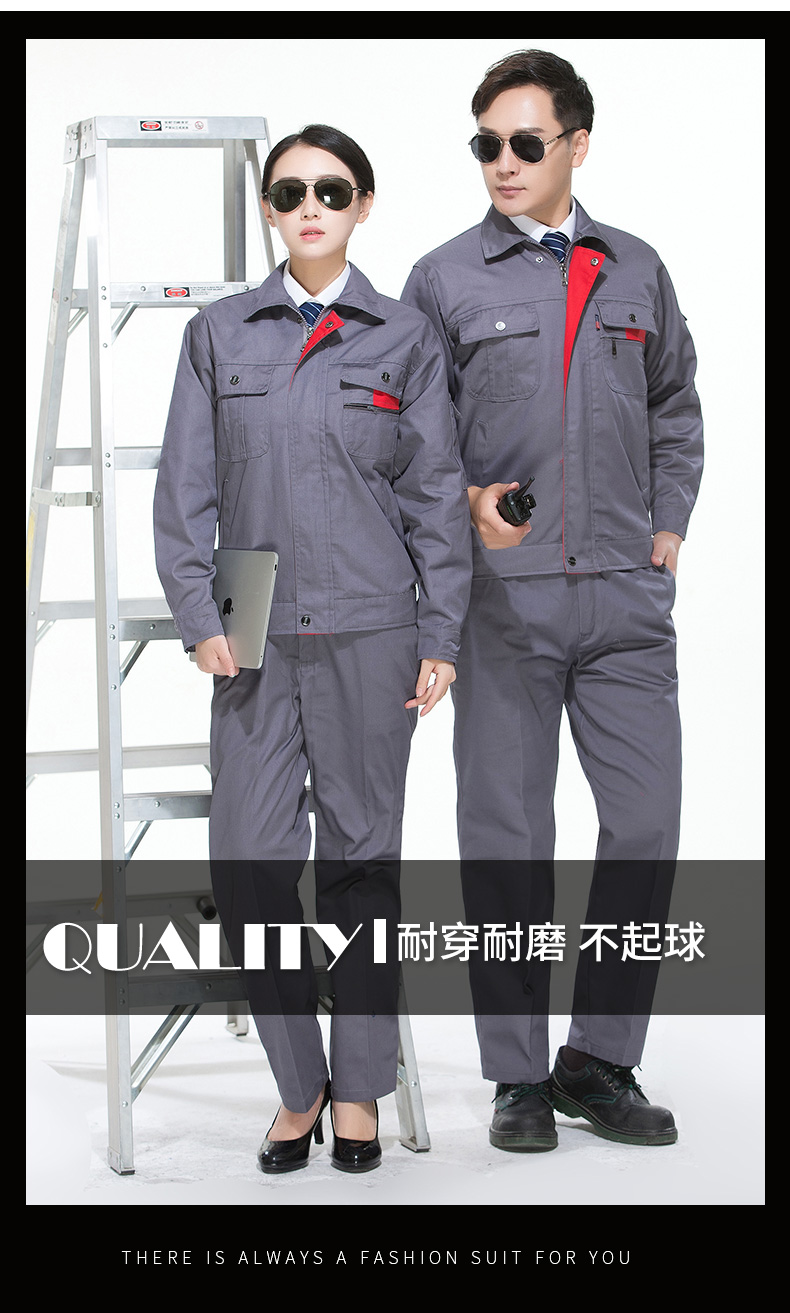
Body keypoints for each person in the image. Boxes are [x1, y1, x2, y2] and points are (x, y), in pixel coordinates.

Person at [153, 124, 472, 1174]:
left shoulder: (403, 335)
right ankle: (300, 1083)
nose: (309, 208)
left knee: (361, 862)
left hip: (375, 620)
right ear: (268, 208)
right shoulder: (218, 333)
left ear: (362, 205)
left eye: (331, 191)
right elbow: (184, 485)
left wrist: (441, 630)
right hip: (250, 611)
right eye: (289, 191)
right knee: (249, 861)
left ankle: (360, 1087)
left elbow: (434, 495)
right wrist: (199, 613)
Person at [401, 51, 703, 1152]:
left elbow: (675, 404)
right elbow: (408, 442)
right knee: (508, 836)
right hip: (502, 604)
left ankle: (599, 1058)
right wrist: (465, 504)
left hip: (625, 600)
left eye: (525, 143)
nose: (503, 162)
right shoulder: (443, 279)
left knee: (645, 824)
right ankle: (519, 1073)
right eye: (486, 143)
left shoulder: (637, 269)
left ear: (578, 144)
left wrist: (668, 524)